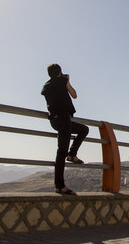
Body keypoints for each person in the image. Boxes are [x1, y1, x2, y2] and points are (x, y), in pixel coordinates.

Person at [41, 63, 89, 195]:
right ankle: (59, 186)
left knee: (84, 129)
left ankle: (72, 154)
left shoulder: (47, 86)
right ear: (60, 72)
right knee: (61, 153)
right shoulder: (62, 82)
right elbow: (74, 95)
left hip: (55, 121)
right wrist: (67, 81)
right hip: (64, 119)